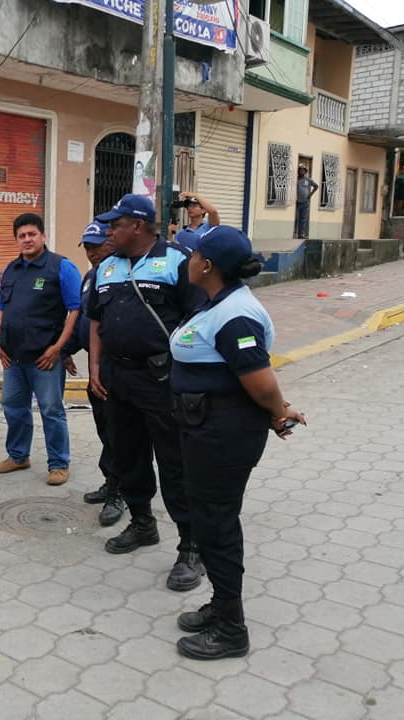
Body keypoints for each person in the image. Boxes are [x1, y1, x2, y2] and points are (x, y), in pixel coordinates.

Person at [170, 225, 306, 659]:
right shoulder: (218, 302)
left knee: (218, 525)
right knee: (210, 521)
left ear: (207, 265)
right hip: (206, 431)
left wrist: (278, 411)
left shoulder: (236, 316)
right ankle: (221, 604)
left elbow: (261, 384)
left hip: (223, 436)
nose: (188, 260)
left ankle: (231, 630)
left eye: (193, 255)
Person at [88, 194, 205, 592]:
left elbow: (199, 318)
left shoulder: (177, 260)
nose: (108, 231)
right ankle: (142, 523)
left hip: (161, 378)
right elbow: (96, 320)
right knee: (127, 456)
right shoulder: (107, 266)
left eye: (115, 225)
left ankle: (191, 547)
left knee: (175, 464)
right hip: (116, 377)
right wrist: (94, 368)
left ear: (137, 226)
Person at [0, 212, 82, 486]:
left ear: (43, 236)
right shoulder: (11, 269)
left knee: (51, 410)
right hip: (13, 358)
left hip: (45, 358)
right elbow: (1, 308)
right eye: (22, 236)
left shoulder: (61, 267)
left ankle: (59, 464)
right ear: (16, 240)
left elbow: (75, 310)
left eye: (32, 234)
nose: (27, 239)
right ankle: (18, 455)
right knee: (13, 406)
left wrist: (58, 348)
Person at [60, 221, 125, 526]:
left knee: (118, 433)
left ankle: (119, 492)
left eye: (96, 246)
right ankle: (111, 481)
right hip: (97, 368)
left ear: (112, 242)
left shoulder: (123, 275)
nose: (91, 252)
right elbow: (84, 320)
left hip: (118, 368)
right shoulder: (90, 277)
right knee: (105, 431)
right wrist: (66, 349)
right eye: (87, 247)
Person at [295, 165, 319, 239]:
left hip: (305, 202)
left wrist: (310, 195)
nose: (301, 171)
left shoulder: (308, 180)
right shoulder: (296, 179)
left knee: (303, 218)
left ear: (305, 172)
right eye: (300, 170)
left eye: (303, 170)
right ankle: (295, 232)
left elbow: (316, 186)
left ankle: (301, 234)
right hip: (297, 202)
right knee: (296, 218)